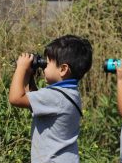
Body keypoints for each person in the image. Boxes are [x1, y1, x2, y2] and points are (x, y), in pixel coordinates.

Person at [9, 34, 92, 163]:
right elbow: (33, 100)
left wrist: (21, 68)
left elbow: (15, 98)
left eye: (47, 63)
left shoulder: (55, 97)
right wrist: (29, 75)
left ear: (63, 69)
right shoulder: (70, 93)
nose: (44, 67)